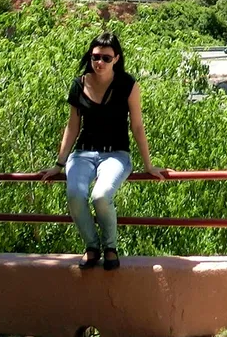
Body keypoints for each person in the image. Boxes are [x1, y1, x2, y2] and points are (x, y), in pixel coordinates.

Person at [38, 31, 163, 270]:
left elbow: (137, 126)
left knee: (101, 195)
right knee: (75, 195)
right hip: (82, 153)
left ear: (116, 58)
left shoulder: (128, 85)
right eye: (96, 57)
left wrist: (148, 165)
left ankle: (110, 247)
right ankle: (92, 247)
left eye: (106, 58)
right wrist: (59, 163)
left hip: (116, 154)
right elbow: (72, 126)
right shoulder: (78, 84)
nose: (100, 62)